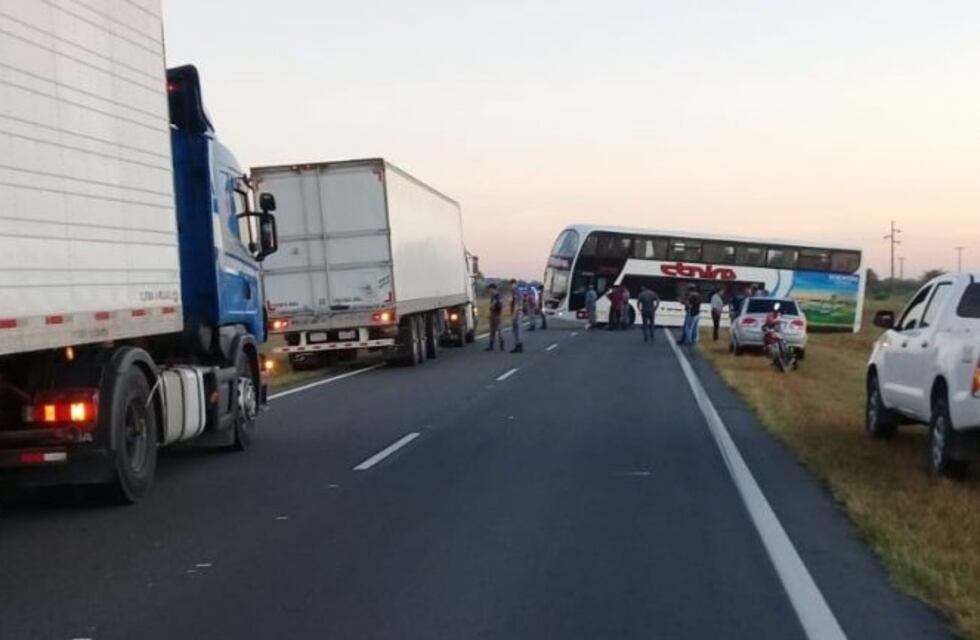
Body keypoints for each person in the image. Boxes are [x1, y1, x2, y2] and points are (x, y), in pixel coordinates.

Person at [484, 283, 505, 351]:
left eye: (490, 289)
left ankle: (501, 345)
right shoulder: (493, 296)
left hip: (497, 314)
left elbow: (499, 305)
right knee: (492, 331)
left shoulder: (498, 296)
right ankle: (491, 345)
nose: (489, 290)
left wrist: (500, 314)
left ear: (493, 289)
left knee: (499, 331)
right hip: (493, 314)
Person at [509, 279, 524, 353]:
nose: (511, 286)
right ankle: (518, 345)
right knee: (516, 330)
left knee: (517, 330)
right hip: (518, 312)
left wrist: (514, 315)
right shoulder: (516, 292)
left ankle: (518, 346)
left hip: (517, 313)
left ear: (515, 284)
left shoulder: (516, 292)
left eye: (511, 285)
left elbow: (516, 304)